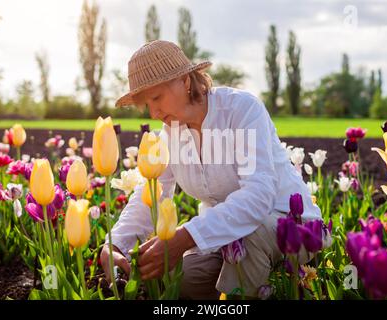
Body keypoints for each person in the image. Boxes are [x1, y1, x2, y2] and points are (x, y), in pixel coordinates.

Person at [100, 40, 327, 299]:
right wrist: (114, 243)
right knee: (181, 280)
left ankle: (279, 284)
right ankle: (268, 285)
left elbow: (258, 196)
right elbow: (152, 190)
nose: (154, 112)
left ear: (185, 81)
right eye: (146, 104)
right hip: (224, 239)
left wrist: (186, 236)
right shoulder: (170, 134)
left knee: (248, 245)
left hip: (289, 225)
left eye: (157, 97)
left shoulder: (241, 110)